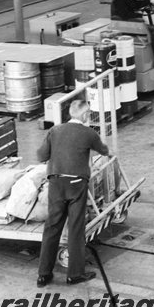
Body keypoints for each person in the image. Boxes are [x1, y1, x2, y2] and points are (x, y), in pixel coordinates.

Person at [37, 100, 110, 287]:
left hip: (56, 182)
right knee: (76, 227)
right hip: (76, 184)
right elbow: (104, 150)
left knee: (52, 227)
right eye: (89, 113)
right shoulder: (89, 133)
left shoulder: (54, 131)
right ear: (85, 115)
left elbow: (41, 155)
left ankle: (43, 275)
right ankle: (75, 274)